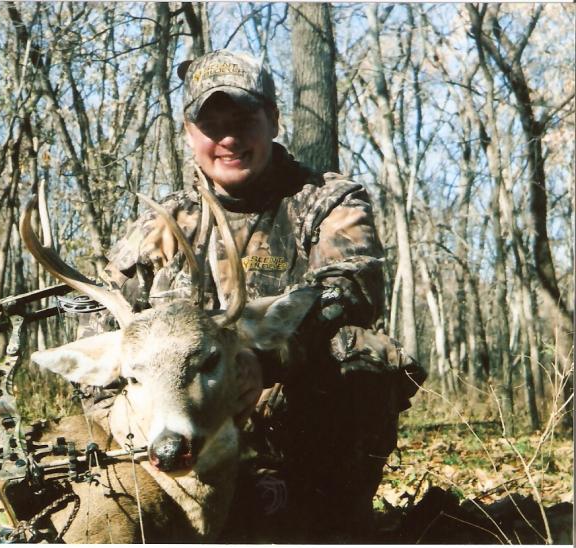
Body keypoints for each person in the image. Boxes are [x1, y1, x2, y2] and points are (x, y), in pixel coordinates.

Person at [79, 50, 426, 542]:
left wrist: (267, 360)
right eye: (210, 125)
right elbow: (98, 324)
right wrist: (130, 418)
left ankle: (334, 516)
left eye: (244, 120)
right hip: (179, 438)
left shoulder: (326, 201)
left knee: (361, 351)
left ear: (274, 121)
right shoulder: (162, 224)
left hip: (293, 417)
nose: (228, 139)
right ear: (188, 133)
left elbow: (351, 289)